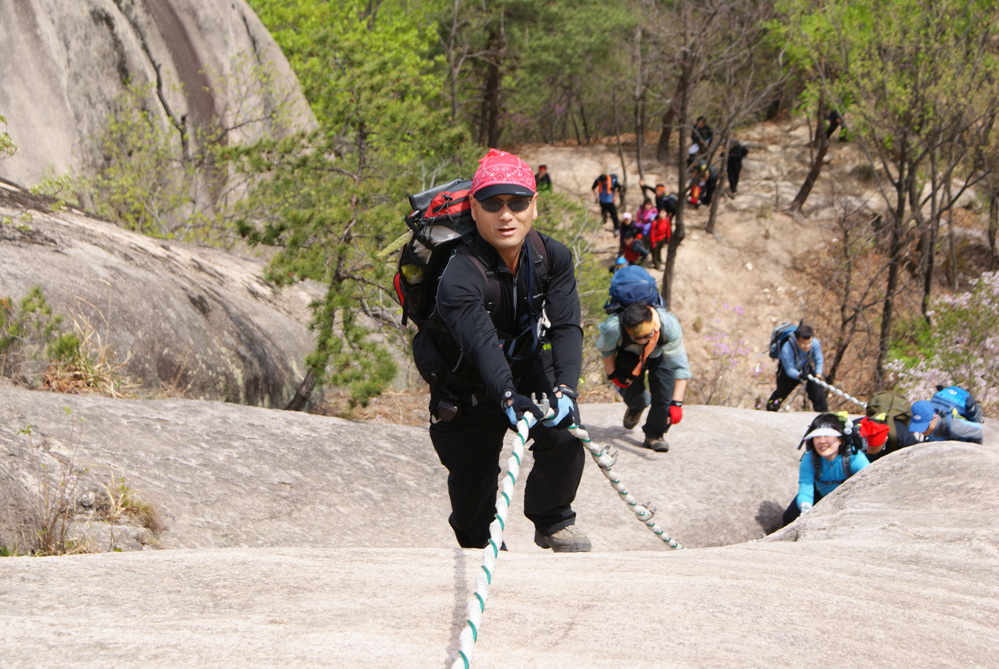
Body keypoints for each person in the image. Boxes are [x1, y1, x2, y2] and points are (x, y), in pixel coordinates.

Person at [424, 148, 590, 553]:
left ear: (534, 205)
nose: (506, 215)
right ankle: (481, 539)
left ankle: (553, 520)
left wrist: (566, 387)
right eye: (492, 204)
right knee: (472, 488)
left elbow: (567, 325)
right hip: (465, 382)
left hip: (526, 361)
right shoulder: (459, 272)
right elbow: (480, 342)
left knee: (565, 435)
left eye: (517, 203)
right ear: (474, 211)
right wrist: (505, 394)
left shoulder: (552, 256)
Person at [597, 302, 690, 452]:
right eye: (638, 337)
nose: (643, 341)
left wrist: (677, 404)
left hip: (660, 354)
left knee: (664, 395)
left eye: (647, 336)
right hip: (629, 355)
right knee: (632, 392)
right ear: (628, 330)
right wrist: (613, 375)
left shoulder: (668, 325)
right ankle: (637, 405)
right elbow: (606, 350)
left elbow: (680, 367)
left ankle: (654, 435)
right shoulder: (613, 328)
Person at [782, 413, 870, 527]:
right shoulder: (809, 459)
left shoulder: (854, 457)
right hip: (820, 495)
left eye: (827, 435)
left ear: (840, 439)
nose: (822, 441)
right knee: (789, 517)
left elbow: (869, 484)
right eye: (817, 436)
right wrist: (805, 508)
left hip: (849, 500)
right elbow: (805, 490)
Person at [765, 324, 828, 412]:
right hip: (788, 372)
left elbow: (818, 359)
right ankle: (771, 409)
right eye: (804, 343)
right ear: (797, 340)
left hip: (805, 368)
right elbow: (789, 369)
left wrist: (818, 374)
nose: (807, 346)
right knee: (781, 392)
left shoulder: (815, 343)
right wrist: (799, 375)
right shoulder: (787, 348)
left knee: (817, 389)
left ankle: (823, 413)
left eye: (809, 343)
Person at [908, 400, 984, 444]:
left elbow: (977, 430)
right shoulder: (930, 424)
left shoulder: (953, 427)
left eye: (925, 426)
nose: (922, 431)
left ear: (935, 417)